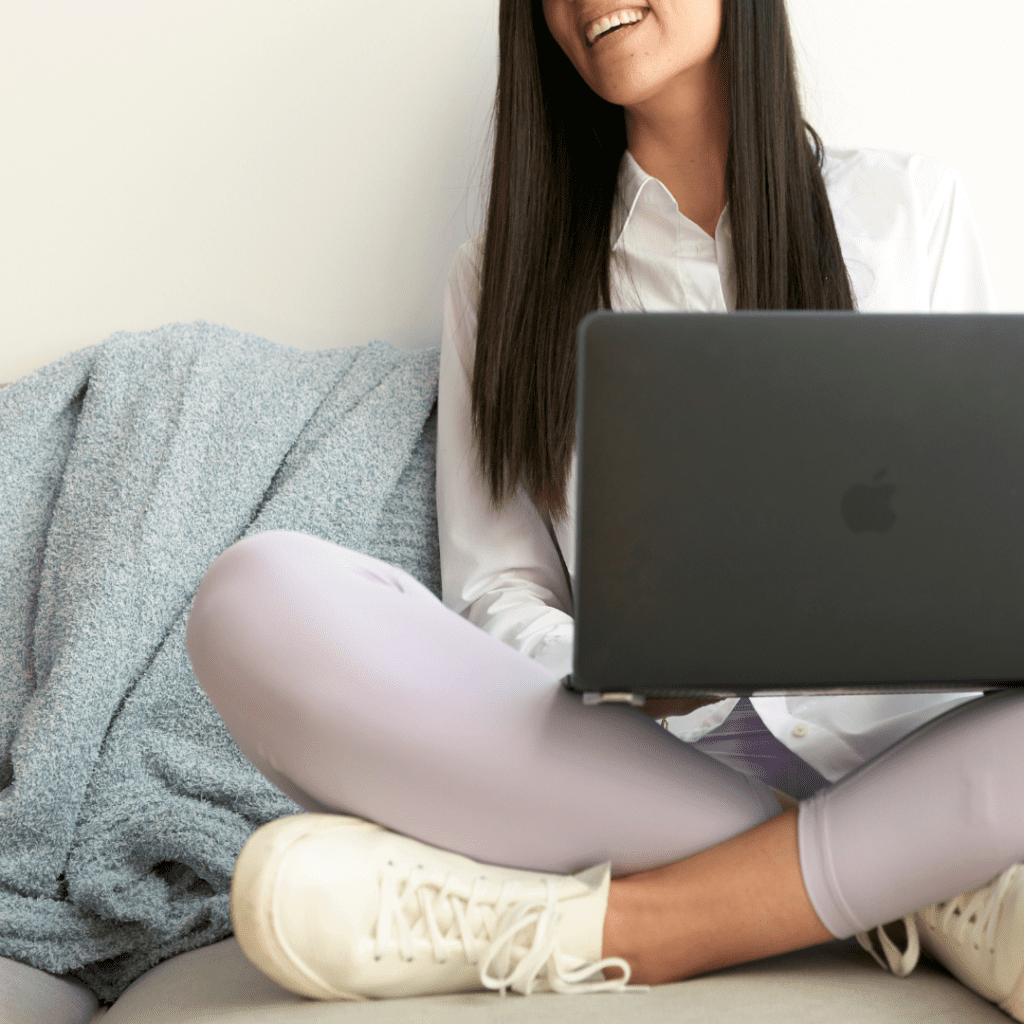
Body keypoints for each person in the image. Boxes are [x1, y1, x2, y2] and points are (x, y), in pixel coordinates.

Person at [184, 0, 1024, 1014]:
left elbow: (985, 541)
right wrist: (617, 672)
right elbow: (497, 591)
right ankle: (919, 878)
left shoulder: (907, 211)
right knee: (253, 598)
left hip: (912, 749)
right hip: (656, 768)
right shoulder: (502, 276)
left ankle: (633, 920)